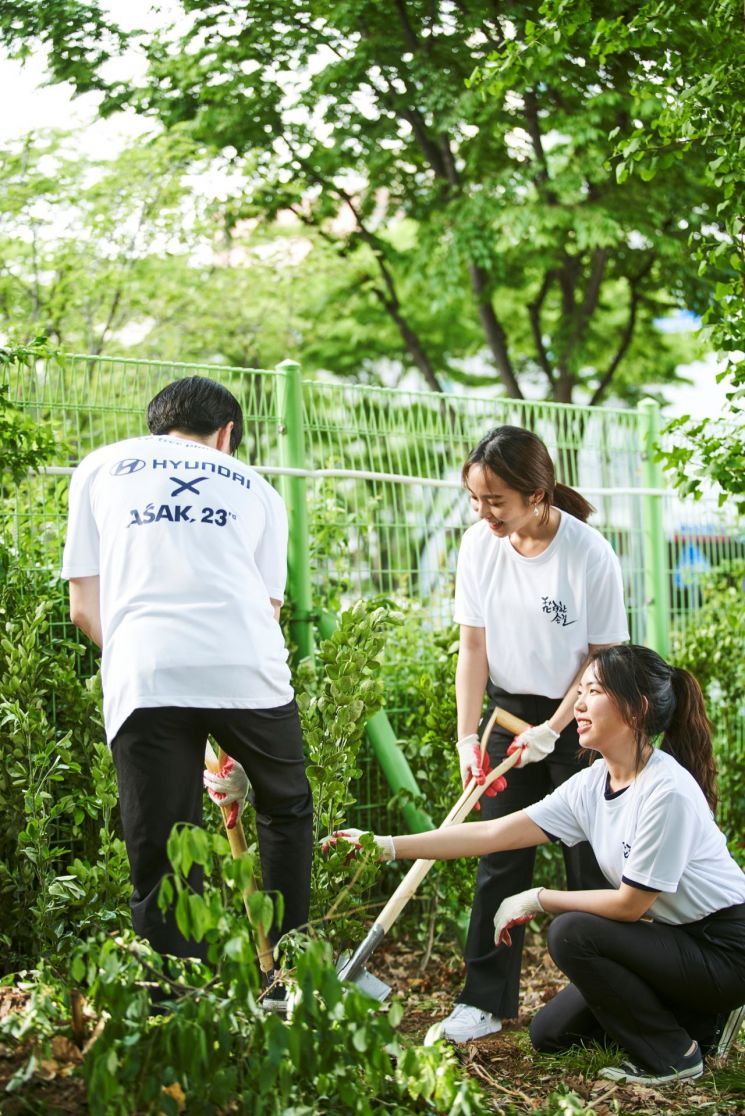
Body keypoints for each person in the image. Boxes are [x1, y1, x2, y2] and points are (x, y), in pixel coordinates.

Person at [332, 645, 745, 1085]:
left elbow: (630, 906)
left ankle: (674, 1056)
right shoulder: (591, 784)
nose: (579, 705)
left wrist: (537, 898)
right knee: (551, 1033)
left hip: (724, 949)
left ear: (637, 708)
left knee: (571, 932)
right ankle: (699, 1022)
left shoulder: (666, 791)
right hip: (672, 940)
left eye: (594, 691)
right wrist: (387, 845)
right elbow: (493, 833)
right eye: (580, 690)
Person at [62, 376, 313, 996]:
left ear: (157, 423)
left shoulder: (100, 466)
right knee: (284, 808)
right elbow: (268, 608)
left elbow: (83, 609)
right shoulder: (258, 488)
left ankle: (177, 1002)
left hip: (145, 672)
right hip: (248, 672)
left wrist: (150, 660)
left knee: (164, 841)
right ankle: (290, 978)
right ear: (227, 434)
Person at [444, 425, 629, 1041]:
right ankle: (484, 1002)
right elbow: (472, 646)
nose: (484, 512)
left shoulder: (587, 552)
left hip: (584, 713)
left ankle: (606, 1005)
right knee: (500, 854)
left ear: (538, 493)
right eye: (476, 499)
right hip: (506, 716)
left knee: (591, 861)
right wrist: (468, 737)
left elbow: (603, 657)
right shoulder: (479, 547)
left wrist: (556, 728)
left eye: (495, 501)